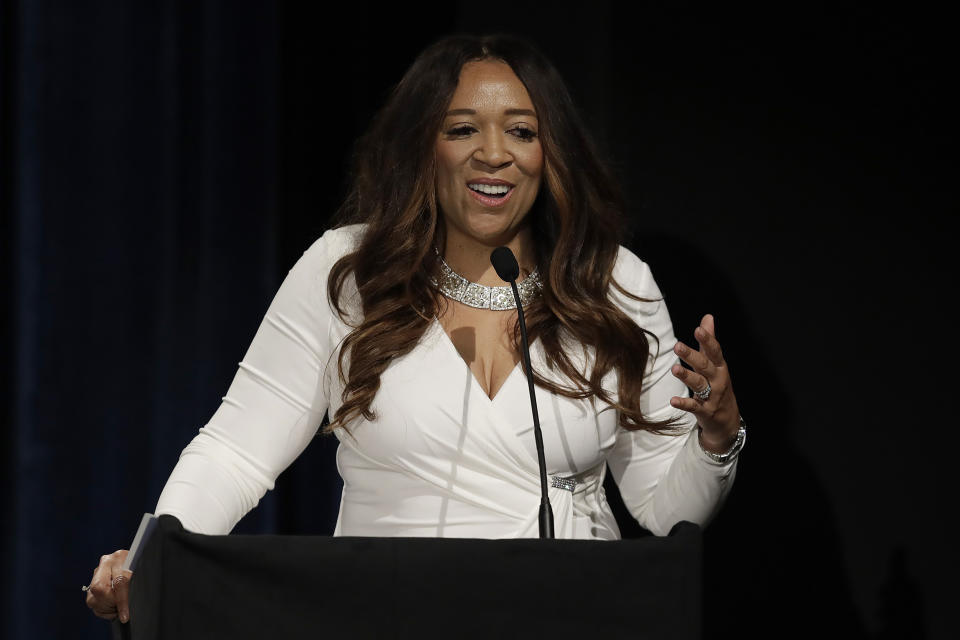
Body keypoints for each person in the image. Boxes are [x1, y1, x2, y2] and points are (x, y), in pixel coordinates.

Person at [85, 33, 746, 623]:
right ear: (423, 146)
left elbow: (668, 511)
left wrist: (716, 440)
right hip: (384, 615)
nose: (495, 154)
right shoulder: (348, 271)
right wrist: (152, 556)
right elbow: (236, 451)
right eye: (462, 129)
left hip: (566, 614)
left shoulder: (613, 283)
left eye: (521, 131)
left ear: (552, 151)